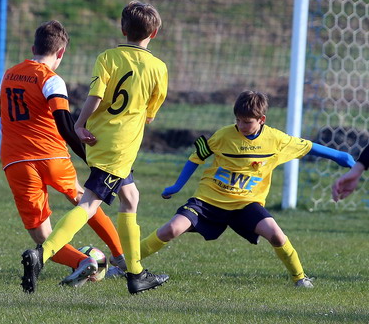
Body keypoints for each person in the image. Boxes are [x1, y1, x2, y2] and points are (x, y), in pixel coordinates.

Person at [21, 1, 169, 294]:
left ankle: (135, 271)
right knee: (89, 204)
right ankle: (43, 254)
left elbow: (96, 95)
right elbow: (151, 113)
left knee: (131, 198)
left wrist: (80, 123)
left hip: (98, 140)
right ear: (154, 33)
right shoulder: (159, 68)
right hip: (120, 147)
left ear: (123, 29)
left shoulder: (107, 57)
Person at [139, 90, 355, 287]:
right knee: (171, 229)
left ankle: (300, 278)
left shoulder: (275, 139)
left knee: (276, 235)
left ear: (262, 120)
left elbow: (307, 146)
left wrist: (340, 156)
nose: (241, 126)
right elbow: (196, 157)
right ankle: (127, 265)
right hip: (208, 200)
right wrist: (177, 185)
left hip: (246, 204)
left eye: (247, 122)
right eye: (238, 120)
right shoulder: (223, 136)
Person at [0, 20, 127, 288]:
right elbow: (65, 124)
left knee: (41, 234)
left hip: (17, 161)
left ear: (33, 48)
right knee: (84, 201)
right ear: (61, 52)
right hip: (52, 156)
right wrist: (88, 158)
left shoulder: (9, 74)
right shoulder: (51, 79)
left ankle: (81, 262)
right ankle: (120, 258)